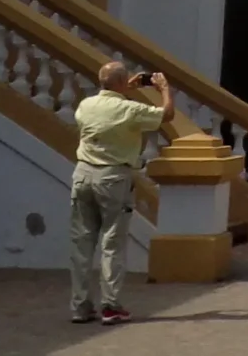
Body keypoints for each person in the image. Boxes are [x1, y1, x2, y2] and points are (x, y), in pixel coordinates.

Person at [69, 62, 173, 327]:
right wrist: (163, 89)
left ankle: (80, 306)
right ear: (120, 83)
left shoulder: (86, 106)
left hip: (82, 174)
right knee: (112, 243)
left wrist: (125, 89)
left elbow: (110, 115)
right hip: (113, 176)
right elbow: (167, 115)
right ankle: (110, 305)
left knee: (82, 243)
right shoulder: (129, 109)